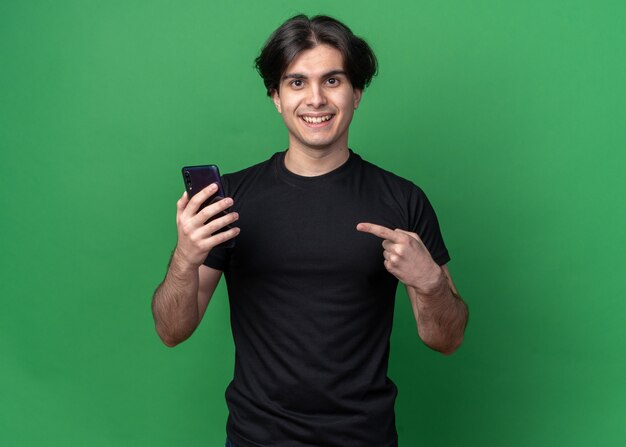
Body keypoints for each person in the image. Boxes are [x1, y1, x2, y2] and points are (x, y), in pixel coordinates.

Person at [152, 14, 469, 447]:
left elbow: (447, 340)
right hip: (256, 439)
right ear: (276, 98)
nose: (315, 99)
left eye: (332, 81)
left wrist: (431, 283)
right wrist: (185, 258)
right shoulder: (230, 202)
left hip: (365, 438)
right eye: (296, 82)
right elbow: (172, 331)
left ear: (357, 93)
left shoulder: (402, 200)